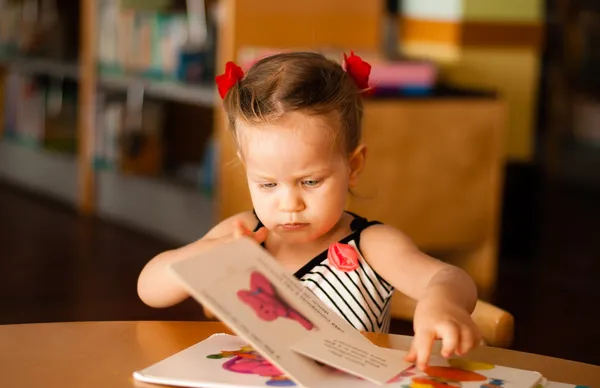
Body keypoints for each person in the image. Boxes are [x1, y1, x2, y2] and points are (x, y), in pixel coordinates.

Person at [137, 51, 481, 370]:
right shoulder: (242, 233)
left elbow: (450, 278)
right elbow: (149, 288)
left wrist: (443, 302)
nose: (289, 204)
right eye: (268, 184)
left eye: (310, 182)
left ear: (354, 165)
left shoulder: (370, 244)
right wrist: (208, 252)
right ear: (246, 171)